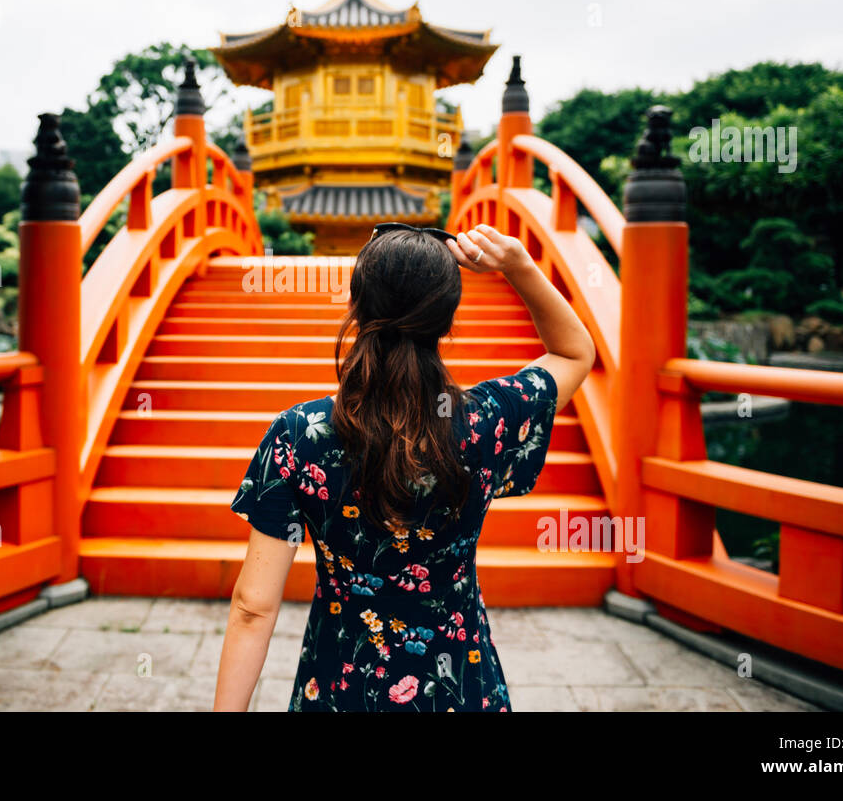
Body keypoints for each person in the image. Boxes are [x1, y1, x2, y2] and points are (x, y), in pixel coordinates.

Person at [213, 222, 596, 711]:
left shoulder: (299, 434)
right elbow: (574, 352)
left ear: (357, 305)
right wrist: (519, 267)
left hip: (340, 690)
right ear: (447, 318)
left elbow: (253, 607)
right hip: (460, 687)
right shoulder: (486, 421)